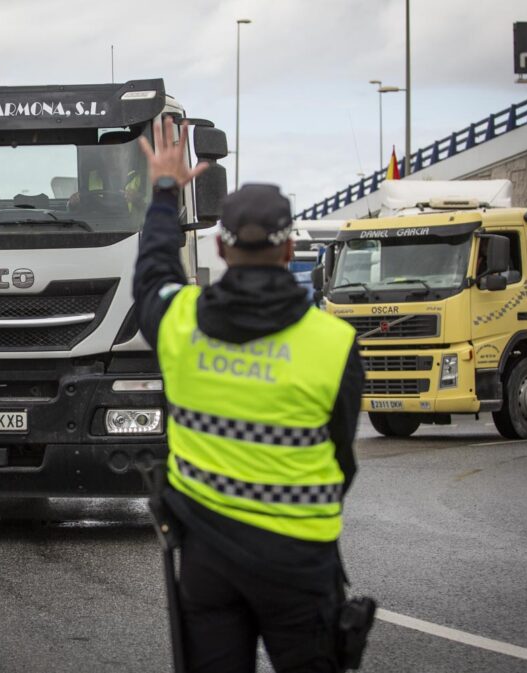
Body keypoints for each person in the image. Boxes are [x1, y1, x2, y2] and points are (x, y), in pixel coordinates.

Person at [133, 117, 365, 673]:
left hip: (208, 559)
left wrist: (167, 191)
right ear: (289, 250)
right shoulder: (333, 343)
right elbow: (342, 457)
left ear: (220, 247)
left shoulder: (178, 322)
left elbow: (153, 272)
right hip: (301, 560)